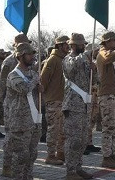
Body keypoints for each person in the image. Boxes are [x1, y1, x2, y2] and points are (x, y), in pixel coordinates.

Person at [4, 42, 42, 179]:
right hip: (20, 122)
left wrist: (39, 88)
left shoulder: (32, 73)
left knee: (32, 154)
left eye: (33, 54)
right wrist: (35, 81)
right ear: (20, 56)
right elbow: (23, 89)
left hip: (33, 120)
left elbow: (34, 92)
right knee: (21, 156)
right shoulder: (14, 75)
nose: (32, 57)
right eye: (29, 54)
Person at [62, 33, 94, 180]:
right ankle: (70, 171)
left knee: (82, 139)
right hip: (73, 104)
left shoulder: (85, 61)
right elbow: (70, 69)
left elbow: (95, 80)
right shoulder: (68, 59)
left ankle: (78, 167)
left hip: (84, 104)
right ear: (73, 45)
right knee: (73, 140)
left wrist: (94, 68)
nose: (84, 46)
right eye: (82, 44)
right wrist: (84, 57)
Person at [95, 31, 115, 169]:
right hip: (107, 95)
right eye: (113, 40)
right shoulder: (103, 53)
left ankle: (112, 153)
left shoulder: (114, 56)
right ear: (107, 42)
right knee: (108, 127)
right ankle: (106, 156)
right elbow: (108, 57)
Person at [41, 35, 69, 166]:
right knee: (53, 129)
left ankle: (60, 152)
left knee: (63, 129)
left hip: (63, 100)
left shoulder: (64, 60)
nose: (68, 47)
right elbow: (43, 81)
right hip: (53, 100)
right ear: (60, 45)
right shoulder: (52, 60)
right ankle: (50, 155)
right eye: (66, 44)